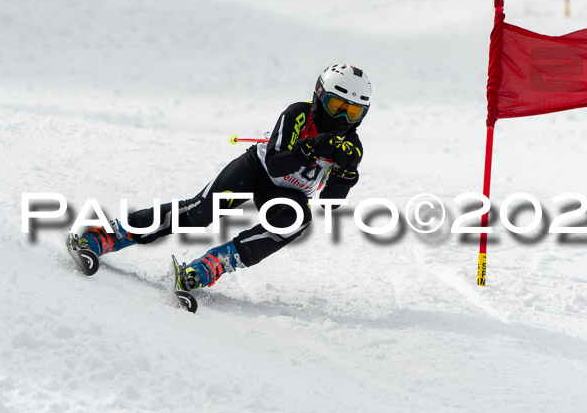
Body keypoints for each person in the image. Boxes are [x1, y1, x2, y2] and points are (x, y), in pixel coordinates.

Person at [70, 64, 371, 292]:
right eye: (337, 107)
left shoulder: (351, 147)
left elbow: (330, 206)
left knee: (297, 220)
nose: (342, 119)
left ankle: (215, 263)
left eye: (353, 113)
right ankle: (107, 235)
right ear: (319, 98)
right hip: (257, 170)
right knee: (200, 212)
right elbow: (278, 165)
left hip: (284, 196)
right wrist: (309, 148)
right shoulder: (298, 115)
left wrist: (346, 175)